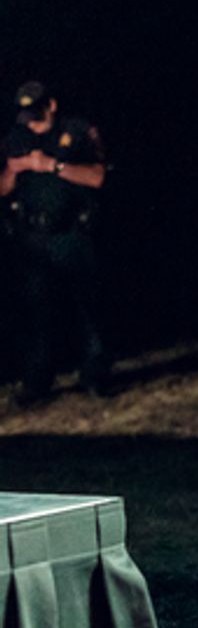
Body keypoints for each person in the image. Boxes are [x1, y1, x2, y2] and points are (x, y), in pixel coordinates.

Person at [1, 81, 110, 405]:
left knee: (87, 309)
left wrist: (54, 166)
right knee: (38, 314)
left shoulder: (76, 132)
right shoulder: (15, 140)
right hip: (33, 239)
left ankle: (96, 374)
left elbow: (98, 177)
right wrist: (15, 169)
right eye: (26, 115)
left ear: (51, 105)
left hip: (73, 234)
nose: (32, 122)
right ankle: (37, 383)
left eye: (36, 113)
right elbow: (3, 188)